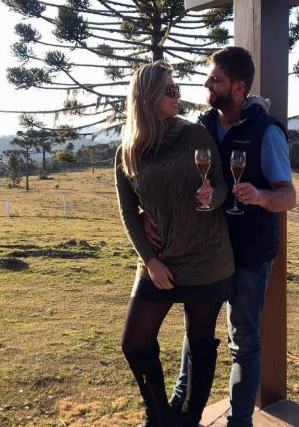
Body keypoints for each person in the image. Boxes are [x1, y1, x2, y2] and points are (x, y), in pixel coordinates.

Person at [145, 47, 296, 426]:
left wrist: (261, 196)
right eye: (209, 77)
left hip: (248, 253)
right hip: (207, 250)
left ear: (239, 87)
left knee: (243, 341)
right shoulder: (203, 125)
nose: (207, 84)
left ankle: (239, 421)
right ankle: (181, 409)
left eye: (216, 79)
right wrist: (146, 211)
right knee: (195, 331)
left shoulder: (267, 132)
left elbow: (288, 196)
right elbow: (170, 177)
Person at [115, 60, 235, 427]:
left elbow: (221, 186)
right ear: (147, 97)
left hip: (207, 259)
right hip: (159, 263)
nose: (178, 95)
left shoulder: (195, 135)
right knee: (134, 342)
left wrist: (209, 196)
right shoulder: (128, 152)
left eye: (177, 87)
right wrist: (149, 260)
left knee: (200, 344)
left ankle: (190, 419)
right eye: (169, 90)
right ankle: (160, 416)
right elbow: (128, 213)